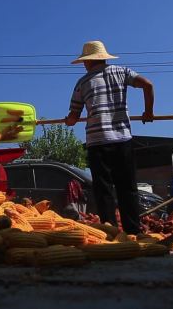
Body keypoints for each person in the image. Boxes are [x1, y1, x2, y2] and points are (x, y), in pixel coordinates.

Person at [64, 40, 154, 234]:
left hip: (97, 143)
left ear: (88, 62)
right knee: (127, 188)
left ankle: (110, 231)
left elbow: (73, 118)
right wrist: (149, 112)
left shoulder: (83, 83)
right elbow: (148, 85)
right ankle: (133, 231)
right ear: (104, 57)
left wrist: (68, 120)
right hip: (123, 139)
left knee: (104, 190)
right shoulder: (122, 72)